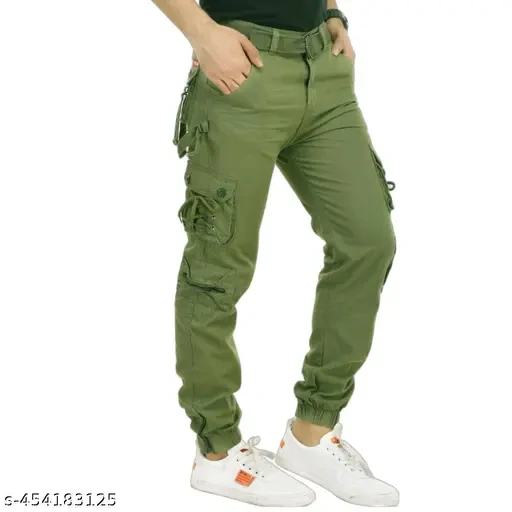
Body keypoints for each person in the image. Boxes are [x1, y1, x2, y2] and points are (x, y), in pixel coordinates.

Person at [153, 0, 398, 507]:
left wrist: (333, 13)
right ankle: (217, 451)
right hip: (241, 73)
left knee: (368, 242)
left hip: (325, 73)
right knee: (218, 269)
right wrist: (202, 32)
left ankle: (312, 433)